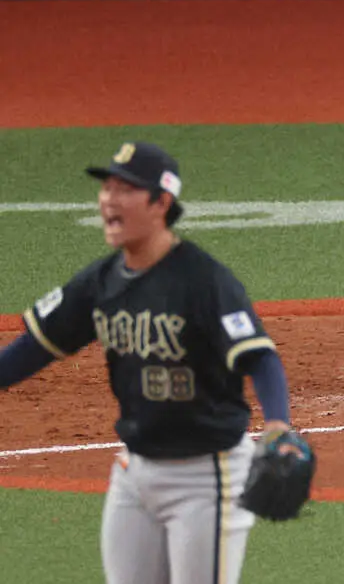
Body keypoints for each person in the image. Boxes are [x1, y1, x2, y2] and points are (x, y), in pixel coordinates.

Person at [0, 142, 304, 582]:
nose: (108, 199)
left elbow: (259, 357)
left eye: (125, 189)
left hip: (207, 478)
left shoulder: (204, 280)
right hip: (134, 475)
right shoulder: (100, 282)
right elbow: (29, 351)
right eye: (107, 187)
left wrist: (278, 425)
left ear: (161, 202)